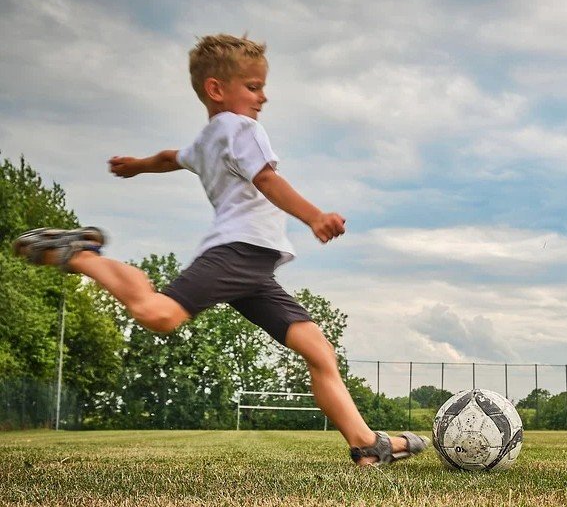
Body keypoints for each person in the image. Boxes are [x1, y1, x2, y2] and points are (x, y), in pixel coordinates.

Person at [12, 34, 427, 466]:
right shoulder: (240, 128)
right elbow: (266, 180)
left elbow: (172, 157)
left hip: (254, 267)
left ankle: (368, 446)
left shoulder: (208, 138)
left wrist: (136, 166)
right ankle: (78, 253)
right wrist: (314, 217)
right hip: (238, 252)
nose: (263, 97)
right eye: (252, 87)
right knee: (159, 313)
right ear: (216, 89)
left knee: (318, 349)